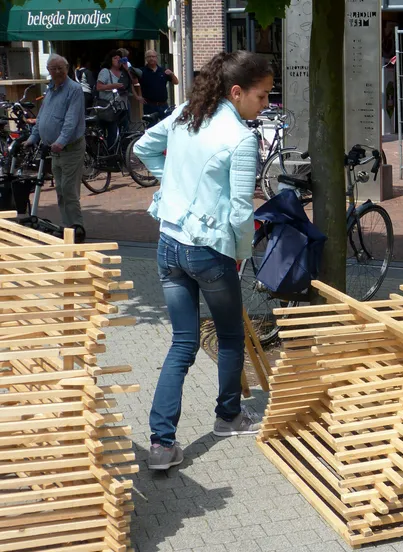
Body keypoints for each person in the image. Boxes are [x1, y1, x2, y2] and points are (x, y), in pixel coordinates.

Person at [133, 50, 273, 470]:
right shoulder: (241, 138)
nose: (265, 104)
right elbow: (240, 213)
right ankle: (228, 416)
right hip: (210, 251)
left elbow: (142, 147)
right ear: (236, 91)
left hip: (169, 242)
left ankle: (161, 444)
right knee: (230, 336)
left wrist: (173, 185)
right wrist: (242, 255)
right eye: (262, 96)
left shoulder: (184, 114)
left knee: (182, 342)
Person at [26, 54, 87, 242]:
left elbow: (71, 121)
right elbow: (42, 116)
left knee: (68, 189)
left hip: (69, 148)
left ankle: (77, 227)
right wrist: (33, 137)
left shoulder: (74, 90)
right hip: (55, 150)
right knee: (60, 189)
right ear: (49, 71)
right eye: (53, 69)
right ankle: (68, 226)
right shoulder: (50, 89)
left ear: (67, 69)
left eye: (61, 68)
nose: (57, 72)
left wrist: (60, 141)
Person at [97, 50, 141, 149]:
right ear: (110, 60)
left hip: (122, 107)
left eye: (119, 58)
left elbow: (135, 82)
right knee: (112, 133)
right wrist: (114, 86)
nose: (117, 60)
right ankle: (111, 156)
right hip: (110, 108)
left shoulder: (124, 72)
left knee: (124, 131)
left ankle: (122, 154)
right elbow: (99, 87)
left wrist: (127, 69)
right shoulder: (105, 72)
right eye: (115, 58)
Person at [139, 49, 179, 116]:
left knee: (166, 126)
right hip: (149, 105)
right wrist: (138, 96)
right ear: (146, 58)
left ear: (156, 58)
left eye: (153, 56)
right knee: (151, 126)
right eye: (149, 56)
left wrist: (172, 74)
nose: (151, 58)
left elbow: (176, 82)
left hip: (163, 105)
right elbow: (134, 84)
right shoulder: (141, 71)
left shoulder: (163, 71)